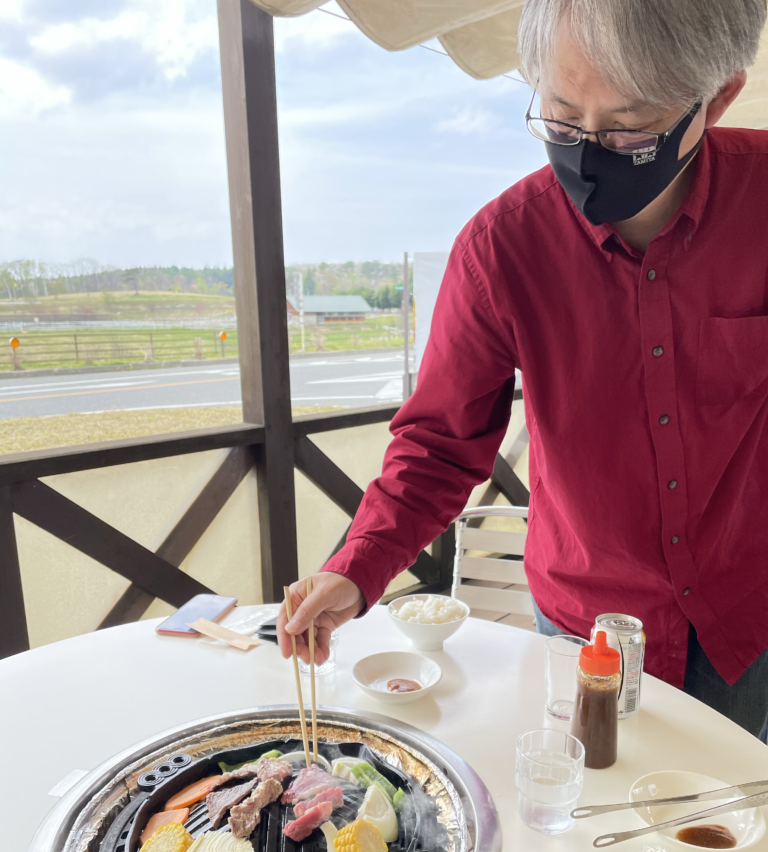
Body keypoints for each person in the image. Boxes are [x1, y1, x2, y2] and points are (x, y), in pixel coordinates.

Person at [278, 0, 768, 742]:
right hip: (581, 624)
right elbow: (440, 444)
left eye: (629, 126)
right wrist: (358, 566)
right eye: (564, 120)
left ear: (719, 96)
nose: (590, 149)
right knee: (583, 812)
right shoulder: (501, 248)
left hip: (748, 611)